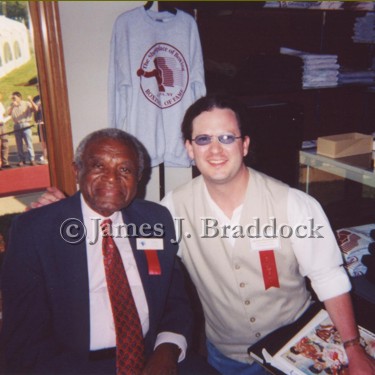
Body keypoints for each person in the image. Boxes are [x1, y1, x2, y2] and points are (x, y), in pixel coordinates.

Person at [28, 96, 375, 375]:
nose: (215, 149)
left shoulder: (296, 205)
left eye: (227, 137)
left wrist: (352, 348)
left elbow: (330, 279)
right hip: (220, 357)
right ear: (189, 149)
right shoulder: (171, 209)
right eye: (203, 139)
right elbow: (120, 233)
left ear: (244, 144)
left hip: (291, 348)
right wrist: (68, 210)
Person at [1, 128, 216, 374]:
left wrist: (167, 351)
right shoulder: (36, 231)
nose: (112, 178)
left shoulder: (155, 220)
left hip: (153, 355)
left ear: (139, 178)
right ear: (77, 171)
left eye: (125, 169)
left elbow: (174, 301)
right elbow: (24, 339)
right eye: (98, 166)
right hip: (73, 365)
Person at [7, 91, 35, 166]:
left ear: (19, 97)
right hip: (17, 125)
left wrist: (31, 101)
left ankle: (32, 159)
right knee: (19, 144)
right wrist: (13, 105)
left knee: (29, 143)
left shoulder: (26, 103)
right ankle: (21, 160)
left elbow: (35, 109)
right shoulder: (12, 104)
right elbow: (8, 113)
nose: (13, 99)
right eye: (12, 98)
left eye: (14, 97)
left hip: (26, 124)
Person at [27, 77, 48, 165]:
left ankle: (48, 156)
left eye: (38, 87)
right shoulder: (36, 98)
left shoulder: (47, 95)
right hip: (40, 121)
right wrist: (31, 101)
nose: (37, 89)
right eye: (37, 88)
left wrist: (30, 101)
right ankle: (45, 156)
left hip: (46, 121)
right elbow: (35, 109)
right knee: (43, 141)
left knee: (49, 140)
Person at [0, 93, 11, 170]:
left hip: (2, 125)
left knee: (5, 143)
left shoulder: (1, 104)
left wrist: (7, 117)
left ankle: (5, 162)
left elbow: (2, 115)